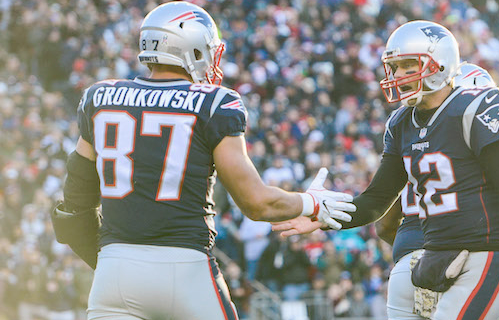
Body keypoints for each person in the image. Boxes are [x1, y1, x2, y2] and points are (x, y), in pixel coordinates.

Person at [50, 2, 354, 320]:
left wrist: (116, 262)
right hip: (185, 269)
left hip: (114, 272)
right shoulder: (214, 103)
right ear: (192, 48)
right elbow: (256, 203)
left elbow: (74, 205)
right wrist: (311, 204)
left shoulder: (100, 98)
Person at [272, 20, 499, 320]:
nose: (399, 76)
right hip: (432, 254)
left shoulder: (475, 107)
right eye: (394, 68)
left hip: (487, 254)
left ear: (441, 64)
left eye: (409, 66)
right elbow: (376, 201)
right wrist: (321, 213)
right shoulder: (401, 124)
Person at [373, 63, 499, 319]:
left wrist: (413, 250)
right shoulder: (480, 134)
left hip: (411, 265)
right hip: (470, 258)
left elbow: (383, 225)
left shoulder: (412, 135)